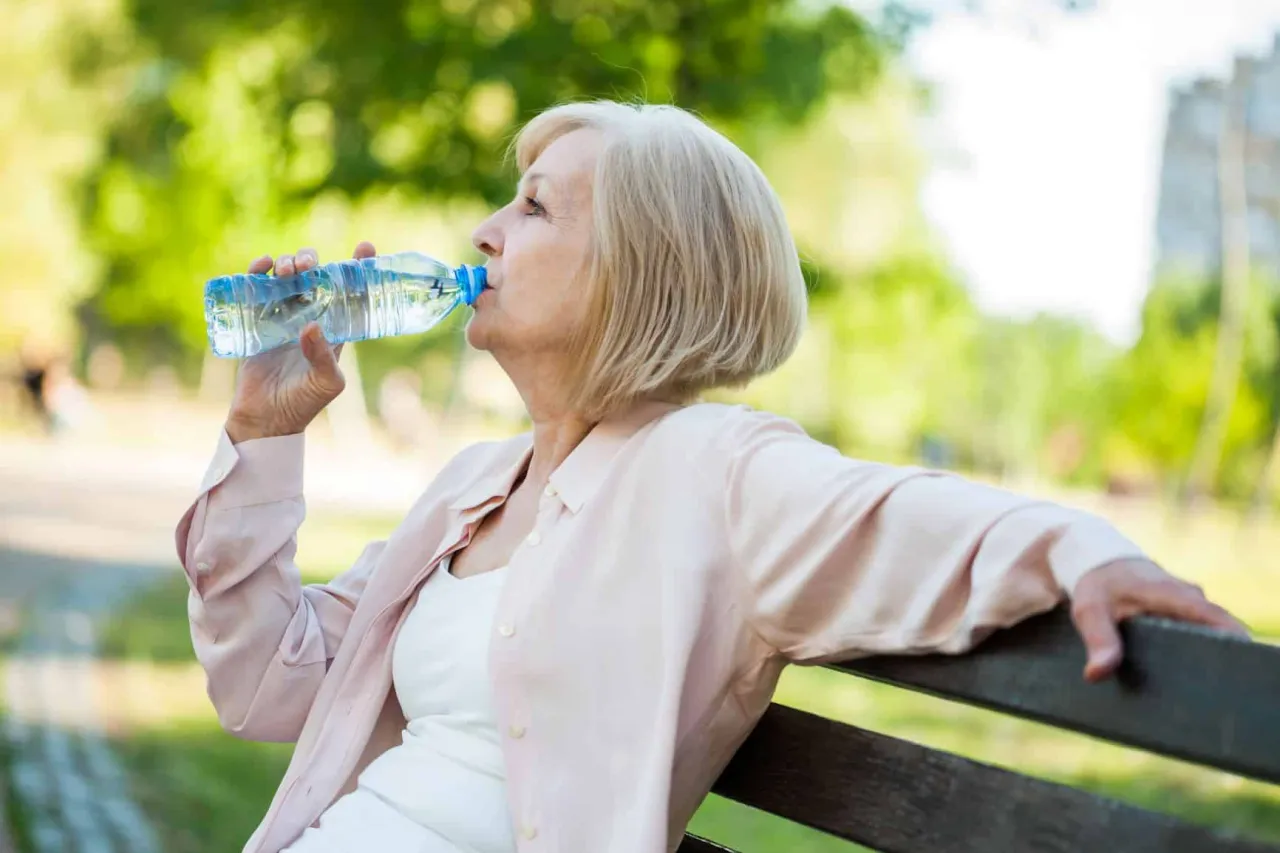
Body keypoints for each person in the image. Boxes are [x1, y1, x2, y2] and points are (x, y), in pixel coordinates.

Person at [176, 101, 1247, 853]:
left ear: (637, 273)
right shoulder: (473, 485)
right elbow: (268, 683)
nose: (481, 233)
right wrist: (263, 434)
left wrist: (1081, 551)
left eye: (536, 208)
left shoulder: (711, 473)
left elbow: (894, 517)